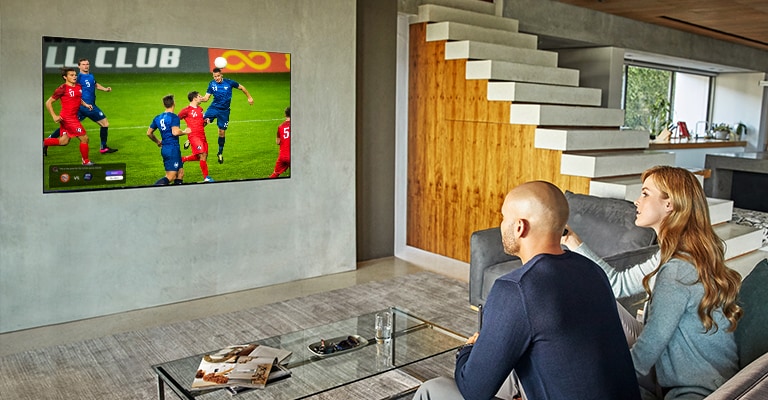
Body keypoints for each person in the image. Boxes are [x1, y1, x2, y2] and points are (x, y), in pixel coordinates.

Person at [413, 181, 640, 400]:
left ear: (520, 227)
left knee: (432, 389)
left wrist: (467, 349)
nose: (501, 224)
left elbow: (474, 390)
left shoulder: (516, 289)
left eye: (504, 217)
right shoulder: (593, 270)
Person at [561, 165, 743, 399]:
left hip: (698, 390)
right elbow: (616, 284)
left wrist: (591, 380)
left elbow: (649, 347)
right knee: (597, 296)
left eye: (645, 194)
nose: (637, 201)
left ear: (670, 204)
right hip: (682, 373)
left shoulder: (677, 268)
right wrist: (572, 240)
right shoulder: (673, 253)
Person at [45, 58, 117, 156]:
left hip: (85, 106)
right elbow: (69, 88)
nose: (86, 66)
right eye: (83, 64)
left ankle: (47, 141)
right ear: (79, 66)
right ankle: (103, 148)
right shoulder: (78, 77)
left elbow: (95, 84)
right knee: (105, 124)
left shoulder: (90, 76)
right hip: (87, 107)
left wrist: (105, 89)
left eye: (87, 64)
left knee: (66, 130)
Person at [200, 67, 253, 164]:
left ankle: (220, 153)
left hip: (224, 111)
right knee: (202, 123)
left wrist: (249, 97)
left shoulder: (229, 82)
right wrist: (199, 99)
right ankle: (190, 139)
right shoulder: (212, 84)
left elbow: (242, 87)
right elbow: (206, 98)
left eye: (218, 76)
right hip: (213, 108)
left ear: (221, 75)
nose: (216, 78)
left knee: (221, 132)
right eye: (215, 76)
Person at [43, 67, 94, 165]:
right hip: (68, 118)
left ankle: (43, 142)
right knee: (85, 138)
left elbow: (77, 98)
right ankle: (85, 161)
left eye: (75, 75)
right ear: (65, 77)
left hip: (73, 117)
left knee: (64, 141)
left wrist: (86, 105)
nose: (74, 77)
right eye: (71, 75)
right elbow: (48, 102)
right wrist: (54, 116)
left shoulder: (78, 86)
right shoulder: (62, 89)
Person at [147, 95, 187, 185]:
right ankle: (153, 189)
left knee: (180, 173)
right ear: (174, 103)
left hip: (167, 148)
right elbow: (175, 132)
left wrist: (158, 141)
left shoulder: (158, 118)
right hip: (172, 149)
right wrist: (185, 132)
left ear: (164, 105)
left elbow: (149, 133)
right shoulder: (174, 117)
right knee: (171, 176)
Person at [179, 91, 214, 182]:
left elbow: (201, 122)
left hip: (202, 135)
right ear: (194, 98)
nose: (201, 97)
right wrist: (180, 131)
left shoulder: (200, 109)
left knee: (202, 156)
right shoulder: (186, 110)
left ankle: (183, 159)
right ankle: (206, 177)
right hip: (194, 136)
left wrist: (206, 121)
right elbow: (176, 119)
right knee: (202, 154)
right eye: (199, 96)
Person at [269, 106, 291, 178]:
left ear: (285, 115)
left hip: (282, 156)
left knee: (275, 174)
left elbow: (278, 142)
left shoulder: (280, 127)